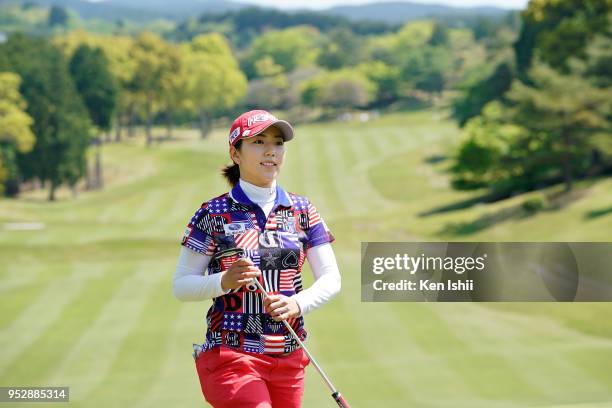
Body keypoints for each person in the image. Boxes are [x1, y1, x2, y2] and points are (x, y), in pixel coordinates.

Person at [173, 109, 342, 407]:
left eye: (278, 143)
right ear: (235, 154)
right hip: (232, 355)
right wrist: (223, 281)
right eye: (258, 142)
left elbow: (331, 278)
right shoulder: (213, 214)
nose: (271, 151)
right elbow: (182, 285)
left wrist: (297, 303)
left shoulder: (303, 210)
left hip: (289, 357)